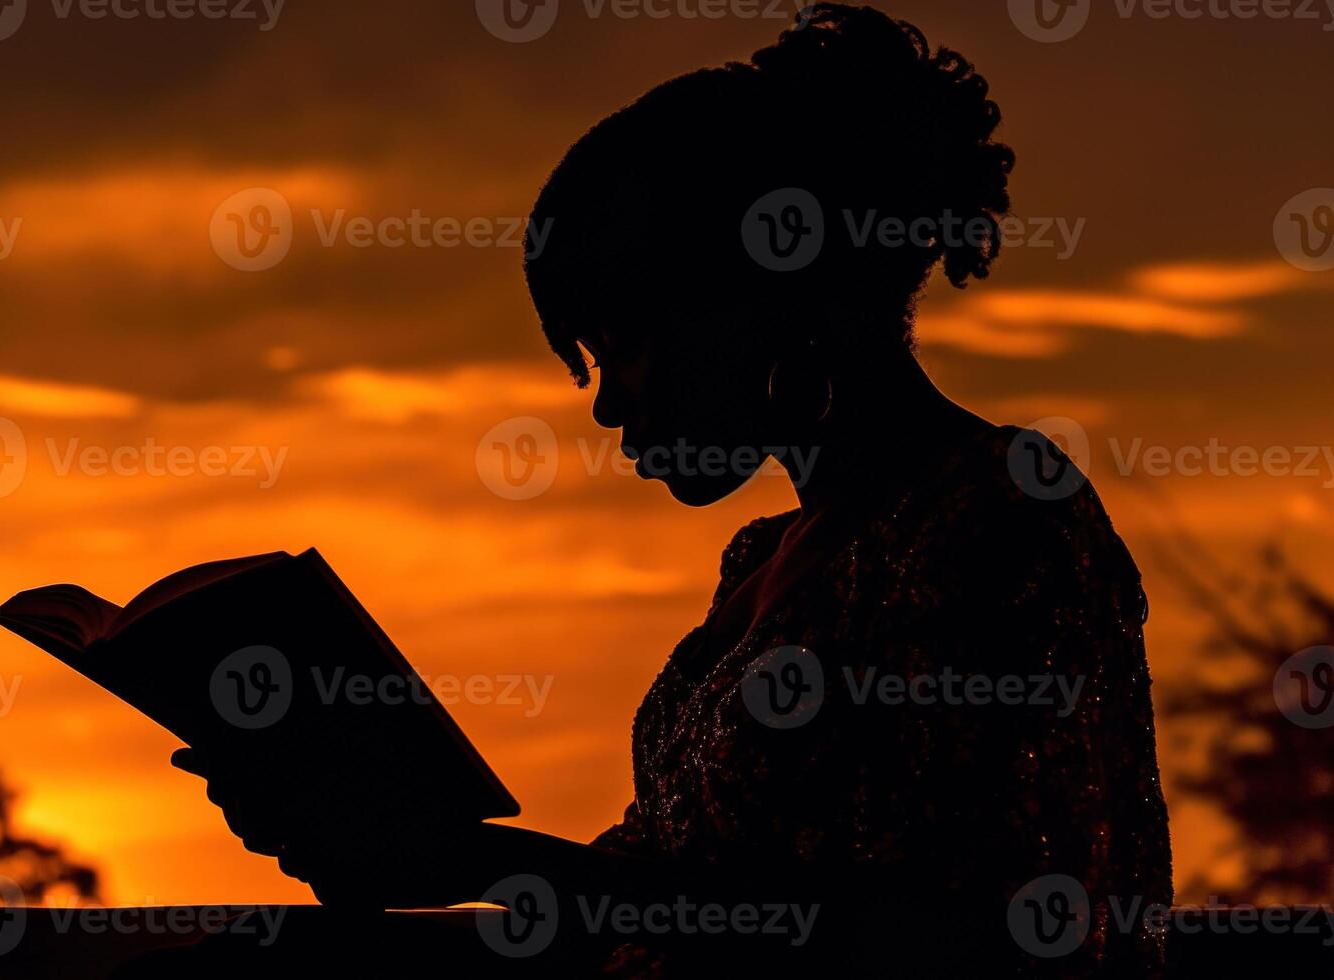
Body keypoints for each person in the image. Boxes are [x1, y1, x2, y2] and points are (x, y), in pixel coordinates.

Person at [172, 6, 1172, 975]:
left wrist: (475, 858)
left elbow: (972, 930)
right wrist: (377, 838)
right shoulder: (759, 560)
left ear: (766, 296)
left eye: (629, 346)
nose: (612, 408)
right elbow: (649, 904)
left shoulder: (1000, 515)